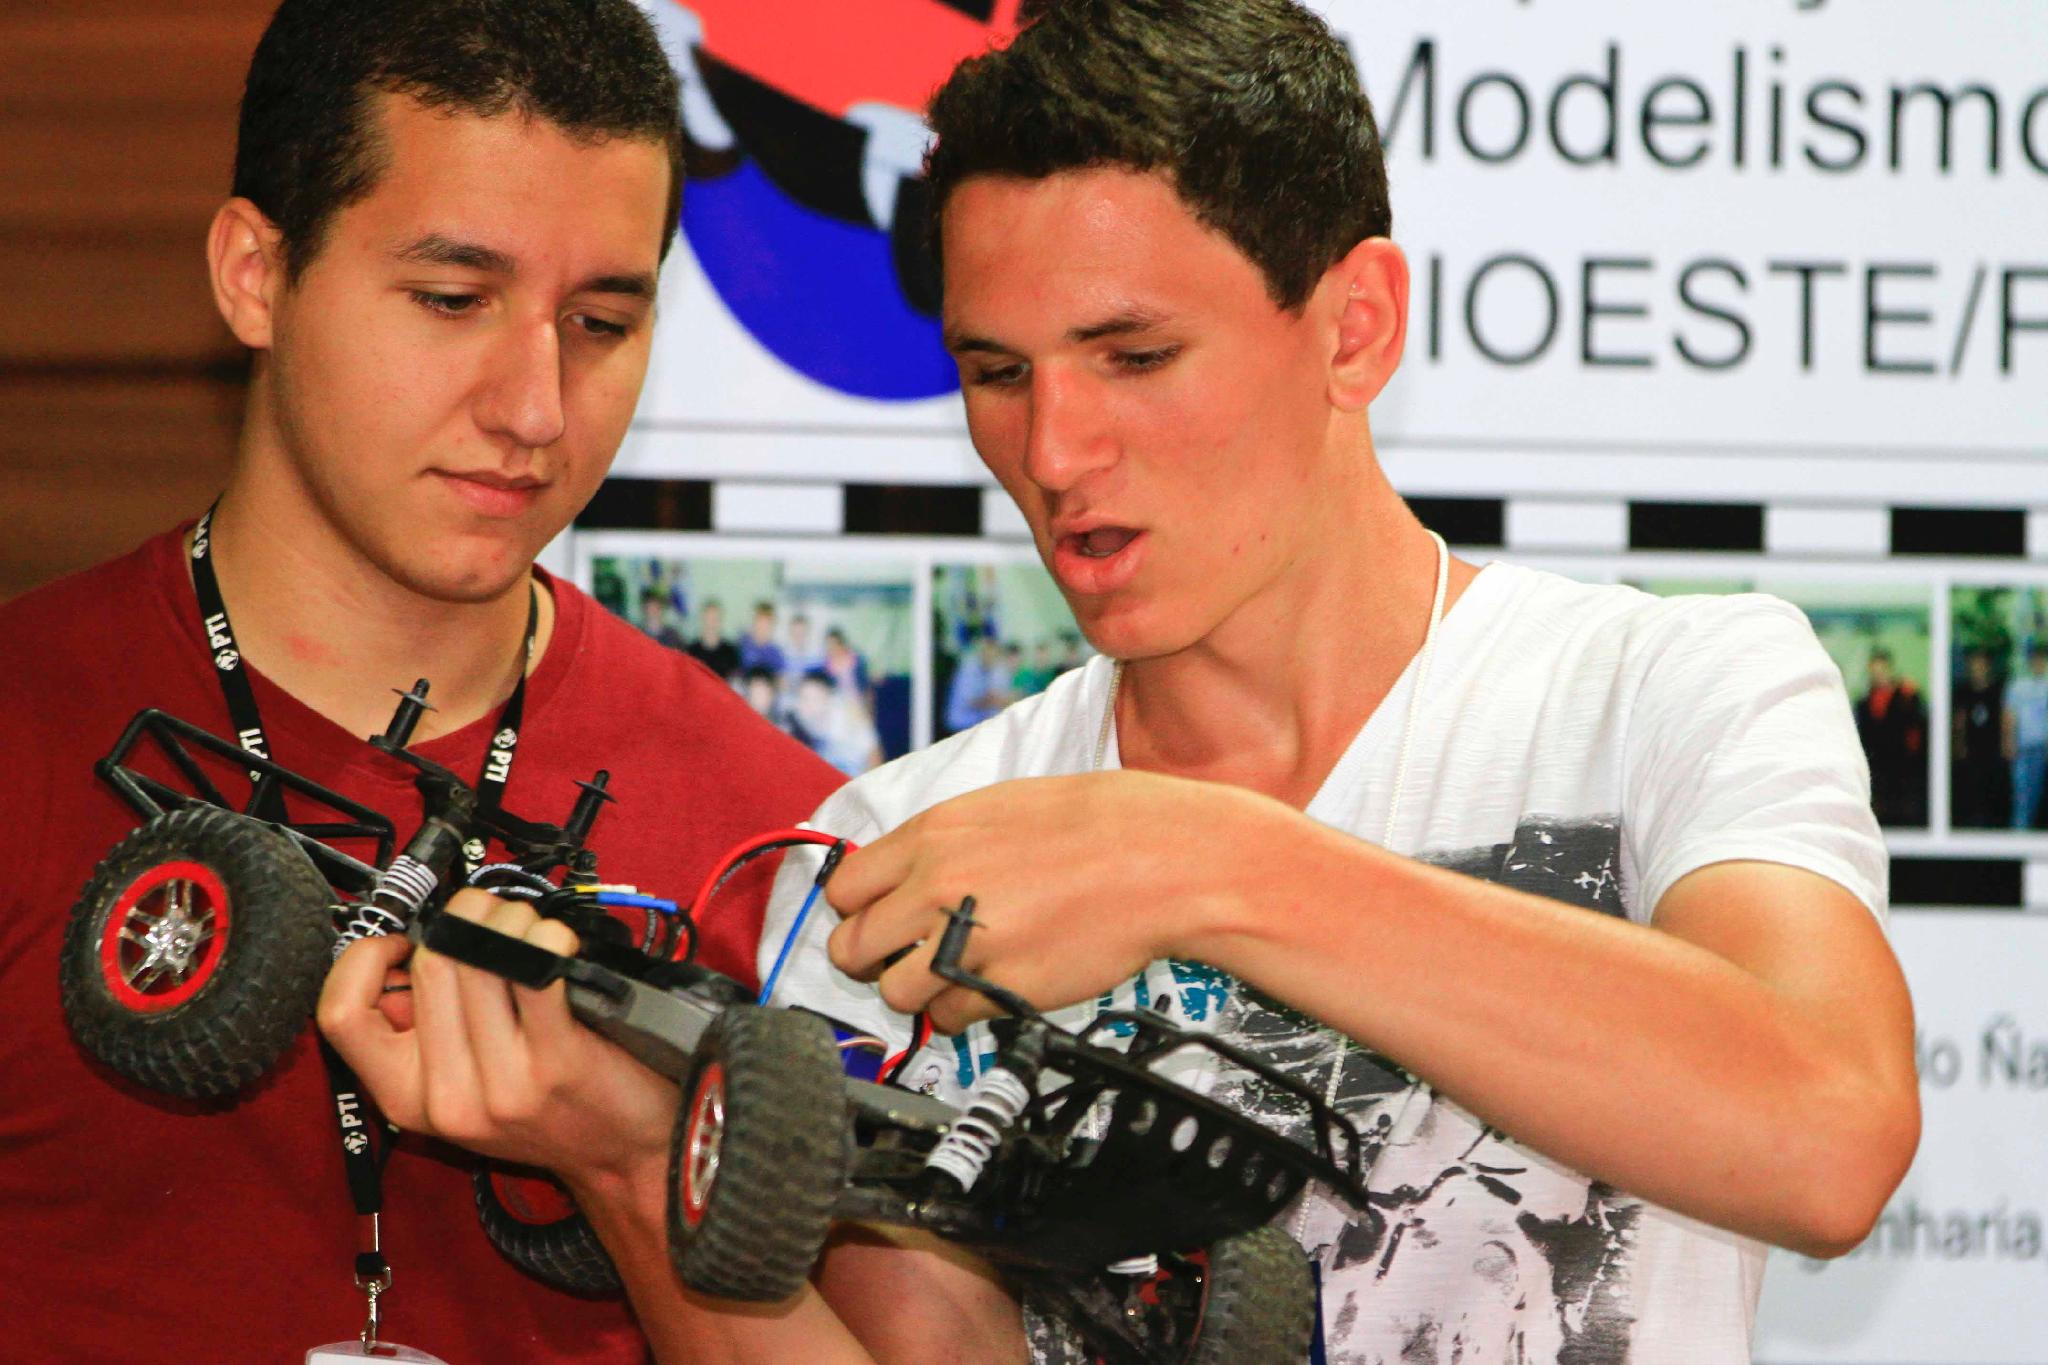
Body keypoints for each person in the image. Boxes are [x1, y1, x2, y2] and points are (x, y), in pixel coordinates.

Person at [755, 1, 1919, 1360]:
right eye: (998, 372)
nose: (1054, 451)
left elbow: (1826, 1135)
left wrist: (1200, 863)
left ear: (1355, 327)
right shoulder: (893, 852)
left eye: (1136, 357)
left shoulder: (1661, 689)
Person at [0, 2, 841, 1360]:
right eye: (453, 301)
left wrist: (630, 1169)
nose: (535, 408)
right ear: (256, 274)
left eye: (601, 321)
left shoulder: (773, 837)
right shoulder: (29, 729)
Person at [1853, 647, 1929, 827]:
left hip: (1903, 767)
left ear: (1890, 669)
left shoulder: (1906, 696)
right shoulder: (1864, 702)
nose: (1879, 675)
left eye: (1882, 670)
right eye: (1874, 671)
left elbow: (1917, 730)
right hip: (1877, 769)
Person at [1953, 646, 2008, 827]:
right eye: (1973, 665)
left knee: (1992, 791)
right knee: (1971, 790)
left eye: (1980, 665)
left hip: (1992, 750)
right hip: (1971, 751)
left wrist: (2004, 746)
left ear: (1988, 667)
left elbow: (2005, 718)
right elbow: (1959, 721)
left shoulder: (1997, 690)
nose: (1977, 669)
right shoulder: (1963, 691)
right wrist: (1959, 745)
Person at [2004, 642, 2048, 828]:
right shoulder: (2018, 686)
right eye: (2035, 658)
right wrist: (2009, 742)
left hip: (2043, 749)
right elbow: (2009, 715)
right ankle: (2019, 835)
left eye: (2042, 658)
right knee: (2022, 799)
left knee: (2039, 800)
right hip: (2023, 750)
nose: (2038, 662)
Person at [686, 595, 741, 680]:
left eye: (715, 618)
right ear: (702, 619)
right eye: (708, 618)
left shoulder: (731, 652)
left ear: (721, 620)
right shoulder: (691, 651)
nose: (712, 622)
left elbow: (735, 681)